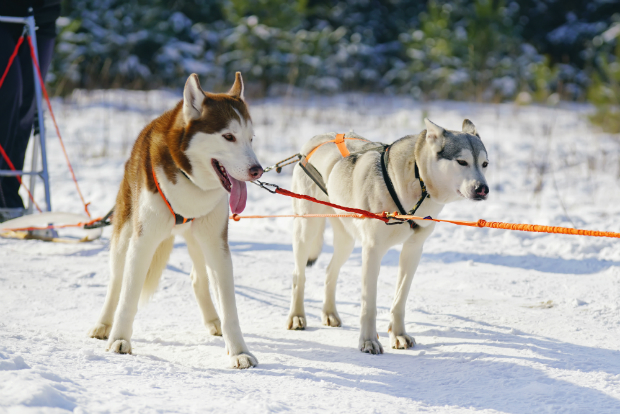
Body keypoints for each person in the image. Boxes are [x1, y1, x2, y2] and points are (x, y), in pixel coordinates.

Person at [0, 0, 60, 221]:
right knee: (8, 95)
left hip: (43, 18)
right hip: (4, 17)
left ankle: (8, 193)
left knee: (28, 108)